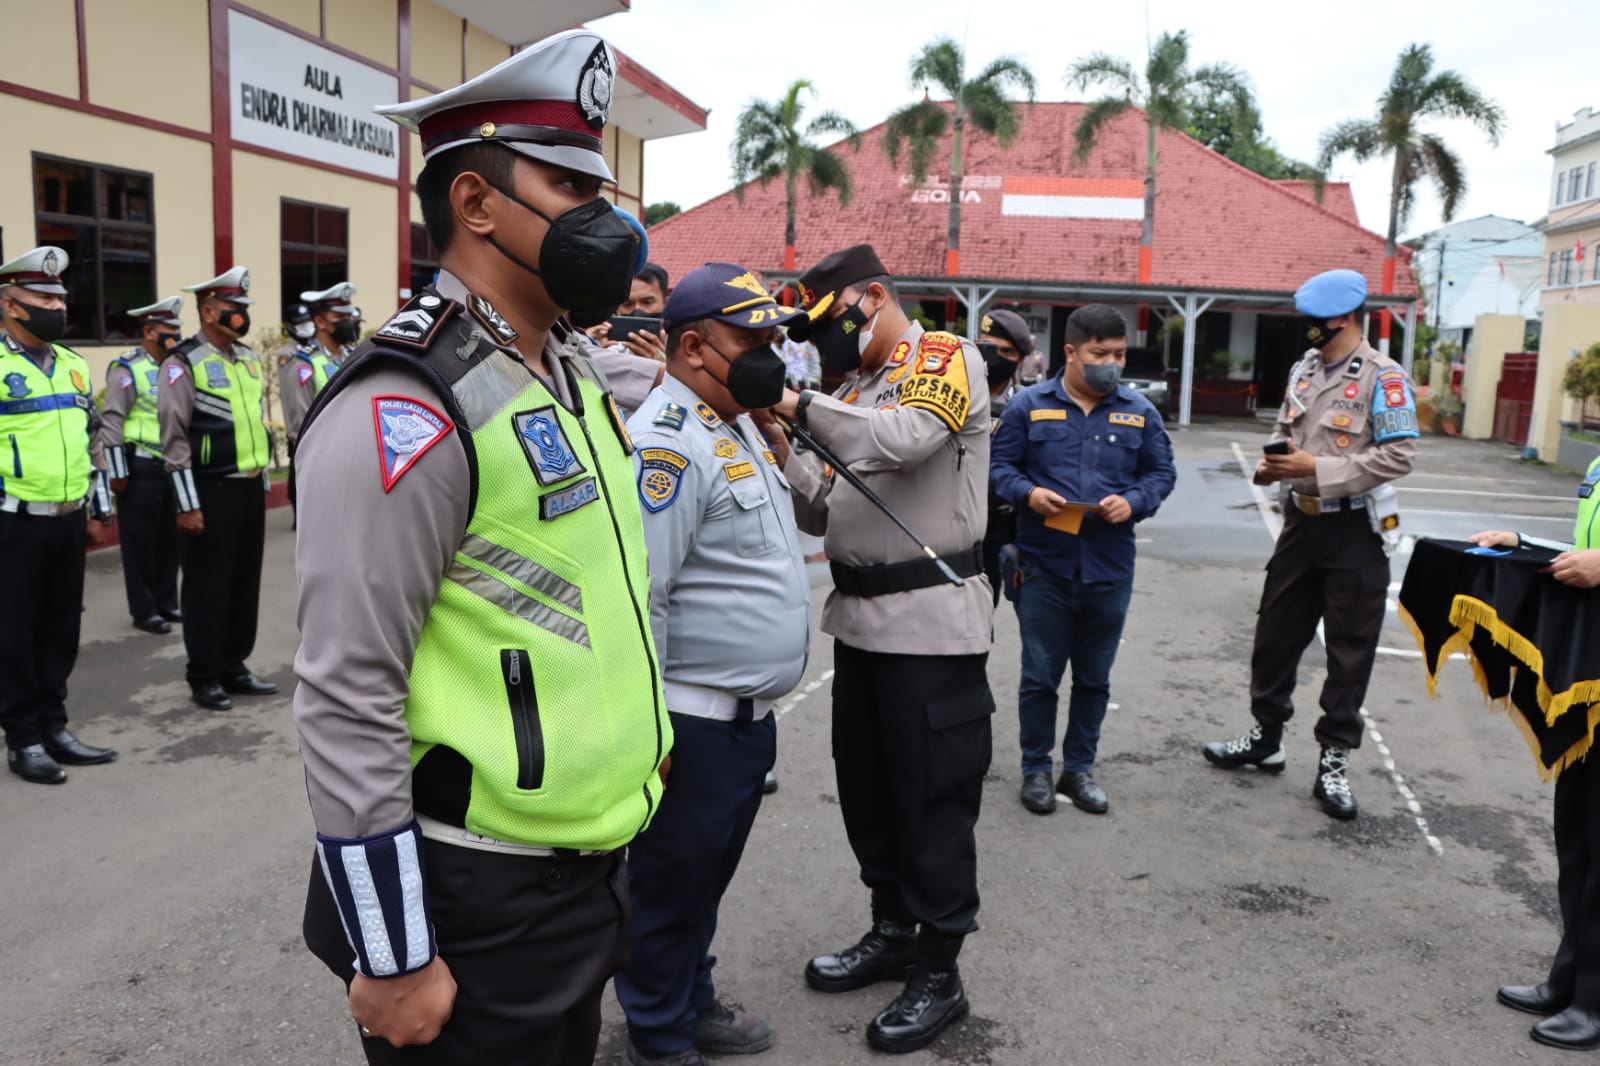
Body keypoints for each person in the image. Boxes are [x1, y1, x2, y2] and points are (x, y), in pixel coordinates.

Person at [291, 30, 672, 1066]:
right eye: (566, 183)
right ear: (473, 205)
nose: (605, 218)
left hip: (581, 872)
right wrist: (396, 951)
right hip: (473, 894)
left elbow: (593, 590)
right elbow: (345, 688)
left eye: (603, 185)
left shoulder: (569, 370)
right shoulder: (407, 402)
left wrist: (638, 735)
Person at [773, 243, 993, 1055]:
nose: (823, 344)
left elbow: (903, 441)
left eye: (832, 323)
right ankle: (891, 928)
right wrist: (780, 433)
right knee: (868, 791)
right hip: (860, 626)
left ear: (872, 297)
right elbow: (819, 510)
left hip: (932, 627)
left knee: (933, 803)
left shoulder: (942, 357)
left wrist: (798, 407)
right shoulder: (850, 390)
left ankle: (940, 969)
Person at [614, 263, 812, 1066]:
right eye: (753, 340)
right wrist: (647, 731)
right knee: (667, 889)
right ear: (692, 345)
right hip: (690, 725)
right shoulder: (668, 443)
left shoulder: (729, 421)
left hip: (742, 725)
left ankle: (691, 1001)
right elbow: (643, 599)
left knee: (703, 883)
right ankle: (658, 1039)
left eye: (775, 338)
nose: (772, 355)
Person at [1202, 268, 1418, 820]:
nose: (1308, 332)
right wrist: (1273, 465)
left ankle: (1334, 762)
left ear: (1343, 319)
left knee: (1349, 649)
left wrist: (1315, 468)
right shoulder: (1304, 369)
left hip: (1355, 531)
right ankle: (1265, 738)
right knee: (1275, 636)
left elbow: (1398, 457)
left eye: (1315, 323)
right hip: (1301, 523)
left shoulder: (1384, 378)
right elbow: (1287, 430)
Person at [990, 305, 1177, 816]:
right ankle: (1035, 770)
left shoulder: (1140, 411)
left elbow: (1161, 474)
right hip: (1042, 567)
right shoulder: (1028, 406)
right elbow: (998, 466)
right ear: (1070, 353)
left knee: (1094, 678)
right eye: (1100, 354)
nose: (1111, 363)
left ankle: (1078, 770)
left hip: (1109, 568)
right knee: (1040, 676)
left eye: (1118, 354)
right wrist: (1029, 494)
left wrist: (1134, 501)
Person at [1475, 462, 1600, 1051]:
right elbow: (1587, 550)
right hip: (1592, 681)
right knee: (1578, 841)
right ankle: (1571, 980)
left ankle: (1595, 1003)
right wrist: (1525, 545)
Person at [0, 246, 117, 784]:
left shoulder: (72, 364)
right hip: (13, 523)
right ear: (10, 305)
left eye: (60, 297)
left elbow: (93, 441)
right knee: (15, 633)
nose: (56, 305)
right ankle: (23, 737)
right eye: (43, 296)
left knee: (59, 629)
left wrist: (99, 506)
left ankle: (55, 725)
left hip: (68, 519)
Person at [160, 266, 279, 711]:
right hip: (209, 492)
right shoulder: (183, 363)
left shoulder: (248, 359)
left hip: (246, 488)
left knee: (244, 581)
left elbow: (255, 425)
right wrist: (187, 504)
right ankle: (204, 674)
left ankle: (234, 664)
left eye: (243, 308)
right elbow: (173, 439)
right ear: (208, 311)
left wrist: (261, 478)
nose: (241, 315)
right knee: (207, 585)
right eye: (233, 309)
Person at [102, 295, 185, 634]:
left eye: (178, 330)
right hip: (141, 467)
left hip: (171, 465)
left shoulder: (177, 366)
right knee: (140, 543)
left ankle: (167, 601)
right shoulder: (127, 368)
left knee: (170, 539)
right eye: (170, 329)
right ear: (149, 331)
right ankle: (144, 609)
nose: (176, 336)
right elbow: (112, 422)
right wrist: (118, 473)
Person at [976, 309, 1031, 606]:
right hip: (950, 522)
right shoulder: (953, 396)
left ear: (1021, 359)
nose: (997, 357)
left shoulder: (1027, 406)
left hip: (1001, 524)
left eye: (1008, 352)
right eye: (989, 347)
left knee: (986, 608)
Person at [581, 261, 669, 415]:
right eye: (628, 304)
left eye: (647, 302)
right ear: (617, 309)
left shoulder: (683, 347)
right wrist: (591, 349)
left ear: (665, 301)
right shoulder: (605, 348)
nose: (638, 311)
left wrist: (668, 367)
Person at [280, 282, 357, 450]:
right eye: (339, 317)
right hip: (320, 456)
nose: (347, 322)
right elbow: (300, 426)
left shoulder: (354, 356)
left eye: (348, 317)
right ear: (320, 322)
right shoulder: (303, 364)